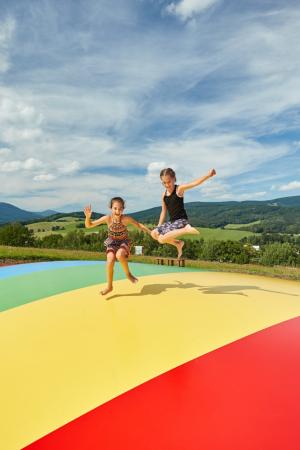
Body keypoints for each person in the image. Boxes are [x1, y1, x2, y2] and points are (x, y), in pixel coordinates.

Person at [84, 197, 151, 295]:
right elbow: (89, 225)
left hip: (123, 242)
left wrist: (150, 232)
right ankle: (109, 286)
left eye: (120, 209)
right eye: (115, 208)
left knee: (119, 255)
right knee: (110, 260)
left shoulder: (125, 219)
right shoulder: (107, 218)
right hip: (112, 242)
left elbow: (139, 225)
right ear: (111, 208)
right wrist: (87, 217)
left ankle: (128, 274)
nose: (117, 211)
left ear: (123, 209)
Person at [151, 167, 216, 258]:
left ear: (174, 179)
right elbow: (163, 211)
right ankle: (178, 244)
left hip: (181, 220)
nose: (167, 185)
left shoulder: (179, 189)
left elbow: (194, 183)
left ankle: (185, 229)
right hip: (172, 221)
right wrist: (158, 226)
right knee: (154, 233)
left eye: (169, 182)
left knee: (161, 239)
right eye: (164, 183)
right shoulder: (164, 195)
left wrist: (208, 175)